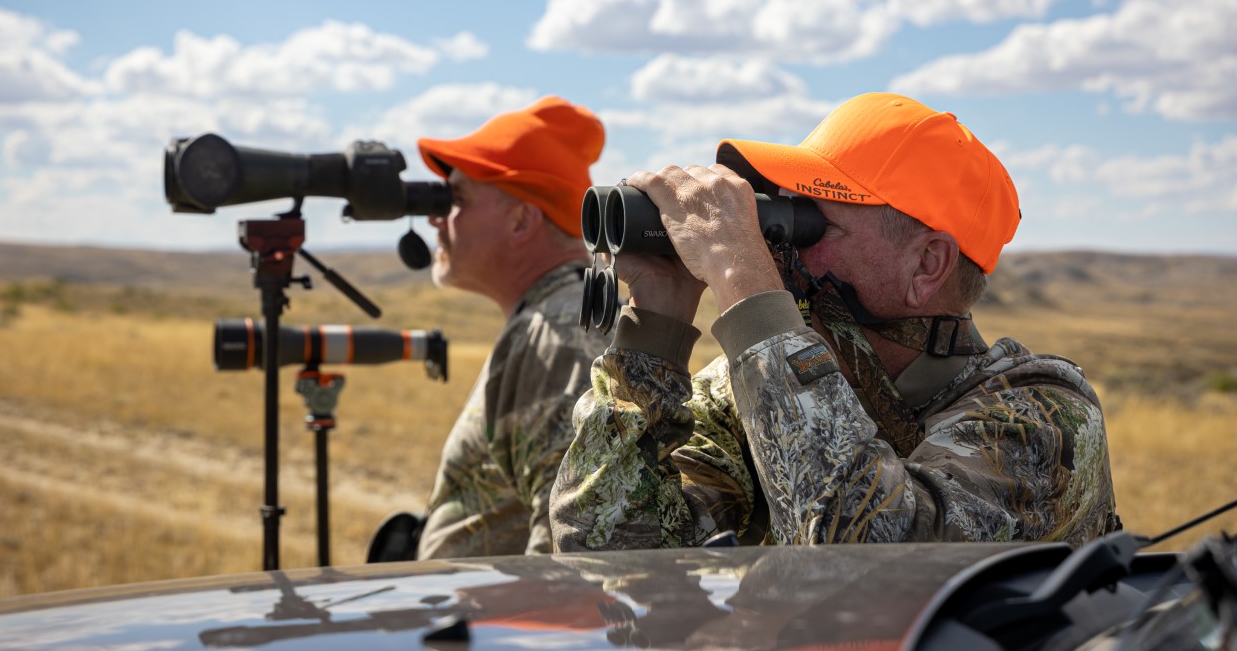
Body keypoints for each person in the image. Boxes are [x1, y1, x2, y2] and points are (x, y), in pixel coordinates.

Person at [550, 91, 1119, 552]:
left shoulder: (1044, 420)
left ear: (927, 264)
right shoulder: (746, 391)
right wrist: (656, 330)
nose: (777, 250)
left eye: (810, 223)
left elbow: (860, 559)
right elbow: (604, 551)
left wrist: (744, 282)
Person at [410, 95, 610, 559]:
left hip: (503, 631)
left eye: (455, 200)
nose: (435, 219)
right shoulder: (551, 319)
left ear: (521, 221)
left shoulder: (559, 335)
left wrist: (517, 636)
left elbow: (564, 541)